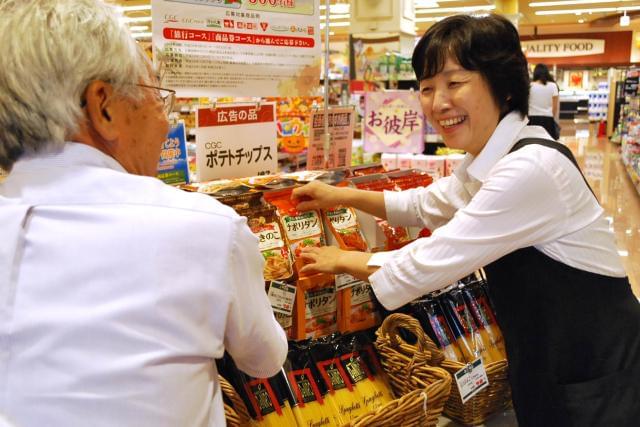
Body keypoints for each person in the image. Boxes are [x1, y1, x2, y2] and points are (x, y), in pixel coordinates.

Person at [292, 14, 640, 426]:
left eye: (455, 83)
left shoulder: (530, 168)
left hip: (595, 371)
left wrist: (339, 260)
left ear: (504, 85)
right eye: (426, 88)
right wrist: (339, 194)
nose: (438, 103)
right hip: (552, 359)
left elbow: (436, 257)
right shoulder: (495, 157)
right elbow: (427, 205)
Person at [0, 1, 287, 426]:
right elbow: (264, 358)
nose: (165, 122)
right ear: (105, 108)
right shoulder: (204, 228)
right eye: (156, 96)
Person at [528, 63, 560, 140]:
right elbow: (555, 107)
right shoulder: (553, 86)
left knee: (533, 143)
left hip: (532, 119)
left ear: (535, 73)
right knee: (547, 144)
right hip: (548, 119)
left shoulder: (529, 86)